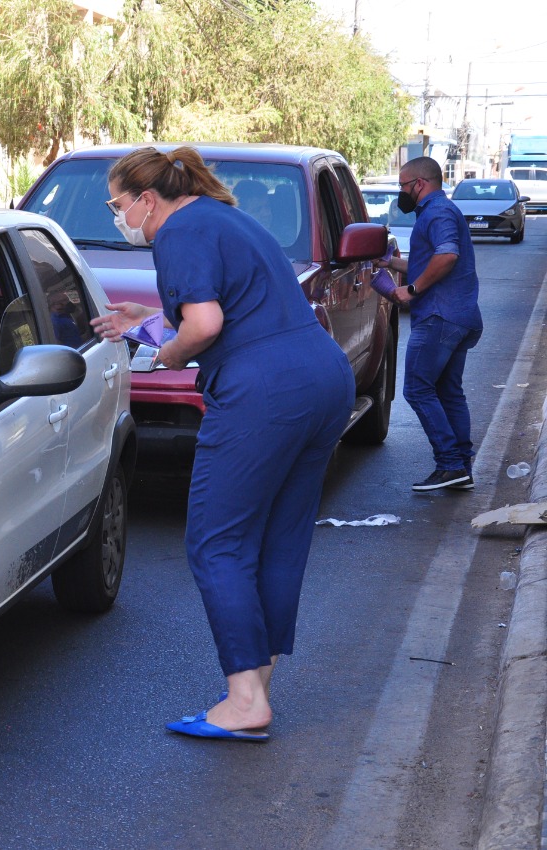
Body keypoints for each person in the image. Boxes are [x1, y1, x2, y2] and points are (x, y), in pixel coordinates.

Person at [90, 147, 354, 742]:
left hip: (265, 393)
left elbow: (205, 328)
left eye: (117, 204)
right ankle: (255, 685)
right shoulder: (224, 217)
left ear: (147, 200)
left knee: (217, 543)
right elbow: (238, 313)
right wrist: (148, 318)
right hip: (322, 377)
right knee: (279, 539)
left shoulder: (176, 232)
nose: (117, 216)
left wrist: (164, 353)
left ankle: (242, 701)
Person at [374, 156, 482, 492]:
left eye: (403, 186)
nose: (401, 192)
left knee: (417, 389)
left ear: (419, 184)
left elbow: (447, 256)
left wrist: (412, 290)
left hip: (440, 316)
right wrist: (391, 263)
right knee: (448, 392)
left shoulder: (437, 212)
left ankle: (450, 463)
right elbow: (428, 261)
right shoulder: (437, 212)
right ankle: (461, 467)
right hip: (458, 316)